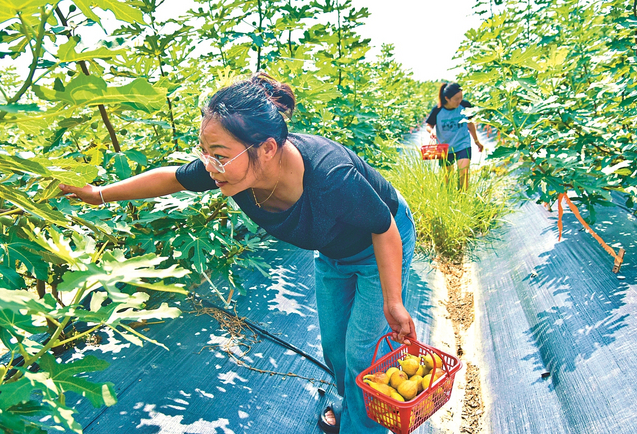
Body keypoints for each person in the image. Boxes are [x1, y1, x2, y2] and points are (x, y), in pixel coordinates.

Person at [58, 72, 417, 434]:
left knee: (363, 355)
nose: (210, 166)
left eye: (219, 155)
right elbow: (171, 177)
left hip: (380, 244)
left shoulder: (330, 175)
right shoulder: (231, 169)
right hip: (332, 252)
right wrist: (98, 193)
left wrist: (393, 301)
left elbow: (383, 228)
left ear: (267, 148)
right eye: (206, 153)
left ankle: (363, 429)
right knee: (334, 348)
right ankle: (350, 407)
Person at [424, 82, 483, 189]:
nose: (459, 101)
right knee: (448, 179)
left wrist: (476, 141)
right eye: (456, 99)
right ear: (447, 98)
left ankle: (463, 198)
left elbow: (470, 124)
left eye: (461, 98)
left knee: (463, 173)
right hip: (444, 147)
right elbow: (429, 125)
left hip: (462, 144)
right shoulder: (437, 110)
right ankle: (451, 198)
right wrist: (432, 131)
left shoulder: (465, 106)